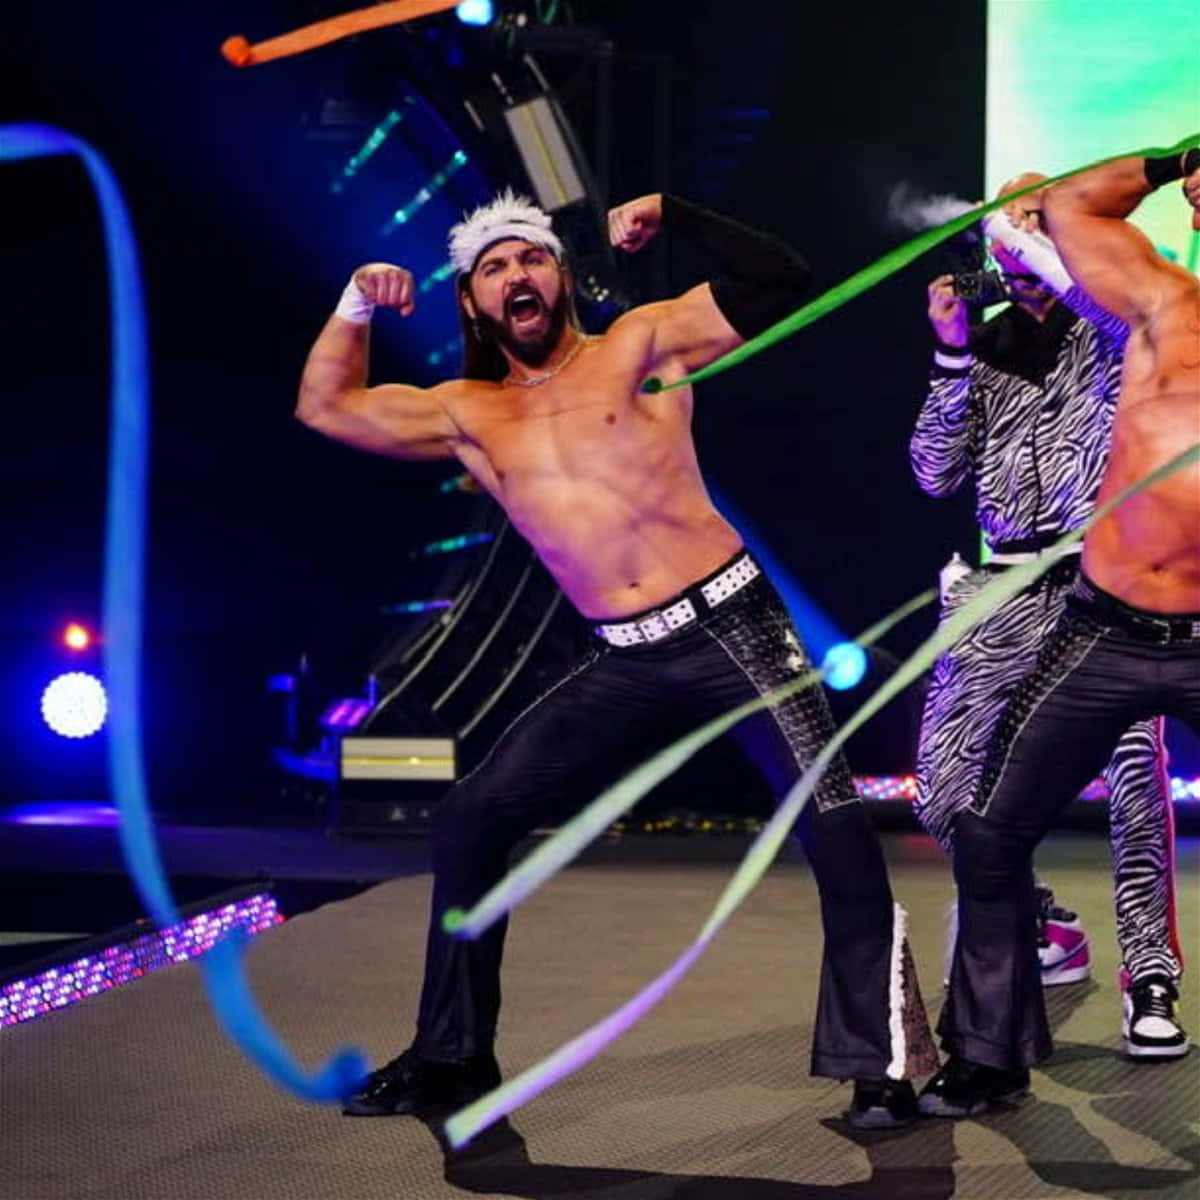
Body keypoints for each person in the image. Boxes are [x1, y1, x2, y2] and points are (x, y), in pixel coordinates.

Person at [296, 189, 938, 1129]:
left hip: (737, 630)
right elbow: (324, 406)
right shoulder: (464, 412)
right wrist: (355, 301)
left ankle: (881, 1066)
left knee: (836, 830)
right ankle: (451, 1060)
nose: (517, 275)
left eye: (532, 259)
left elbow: (780, 277)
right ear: (474, 304)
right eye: (494, 267)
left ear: (561, 277)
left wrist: (677, 212)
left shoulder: (637, 345)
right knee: (472, 816)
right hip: (624, 662)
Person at [920, 145, 1200, 1117]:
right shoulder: (988, 349)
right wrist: (955, 350)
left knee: (1134, 788)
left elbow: (1088, 286)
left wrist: (1052, 248)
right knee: (952, 793)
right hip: (1000, 590)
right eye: (1003, 225)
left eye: (1031, 221)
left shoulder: (1118, 324)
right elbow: (931, 474)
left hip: (1099, 590)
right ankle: (1036, 922)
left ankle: (1151, 974)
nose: (1015, 238)